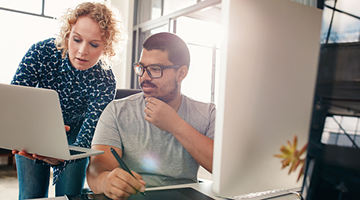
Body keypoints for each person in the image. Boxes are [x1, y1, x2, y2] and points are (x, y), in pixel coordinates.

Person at [11, 2, 127, 199]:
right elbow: (15, 99)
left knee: (70, 195)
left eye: (94, 44)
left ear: (106, 46)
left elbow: (90, 129)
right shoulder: (41, 52)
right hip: (35, 127)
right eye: (77, 39)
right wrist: (22, 132)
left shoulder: (106, 80)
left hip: (76, 134)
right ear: (67, 34)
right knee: (31, 195)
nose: (82, 51)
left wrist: (64, 157)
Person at [86, 32, 215, 199]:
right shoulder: (116, 110)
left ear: (181, 73)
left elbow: (224, 169)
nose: (144, 77)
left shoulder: (207, 113)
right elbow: (97, 168)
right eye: (141, 68)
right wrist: (106, 181)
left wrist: (175, 125)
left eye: (155, 69)